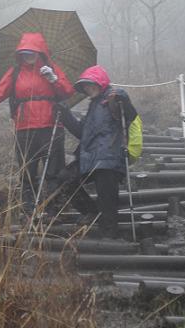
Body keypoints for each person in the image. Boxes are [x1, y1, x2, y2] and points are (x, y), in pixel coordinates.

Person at [0, 32, 75, 222]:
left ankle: (53, 211)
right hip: (24, 128)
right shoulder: (15, 72)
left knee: (53, 171)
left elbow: (67, 92)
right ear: (20, 54)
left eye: (32, 52)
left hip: (51, 126)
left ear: (41, 52)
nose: (28, 56)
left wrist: (53, 79)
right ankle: (28, 211)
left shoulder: (52, 69)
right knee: (27, 171)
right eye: (25, 52)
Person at [54, 65, 141, 239]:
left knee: (107, 199)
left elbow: (131, 116)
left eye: (90, 83)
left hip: (109, 157)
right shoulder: (93, 105)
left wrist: (122, 98)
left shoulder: (114, 98)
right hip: (90, 157)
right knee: (65, 178)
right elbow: (81, 132)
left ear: (99, 82)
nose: (87, 88)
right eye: (84, 86)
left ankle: (109, 237)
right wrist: (65, 114)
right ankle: (91, 211)